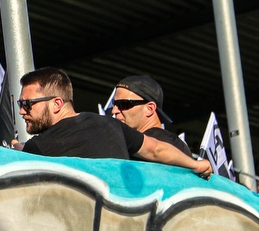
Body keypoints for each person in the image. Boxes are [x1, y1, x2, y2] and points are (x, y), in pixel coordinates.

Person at [12, 67, 211, 178]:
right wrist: (196, 164)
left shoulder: (39, 146)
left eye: (28, 104)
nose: (22, 110)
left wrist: (18, 151)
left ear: (57, 103)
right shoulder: (110, 125)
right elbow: (156, 150)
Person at [112, 75, 192, 157]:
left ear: (150, 109)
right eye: (114, 104)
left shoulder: (137, 148)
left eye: (123, 104)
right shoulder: (179, 145)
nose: (114, 111)